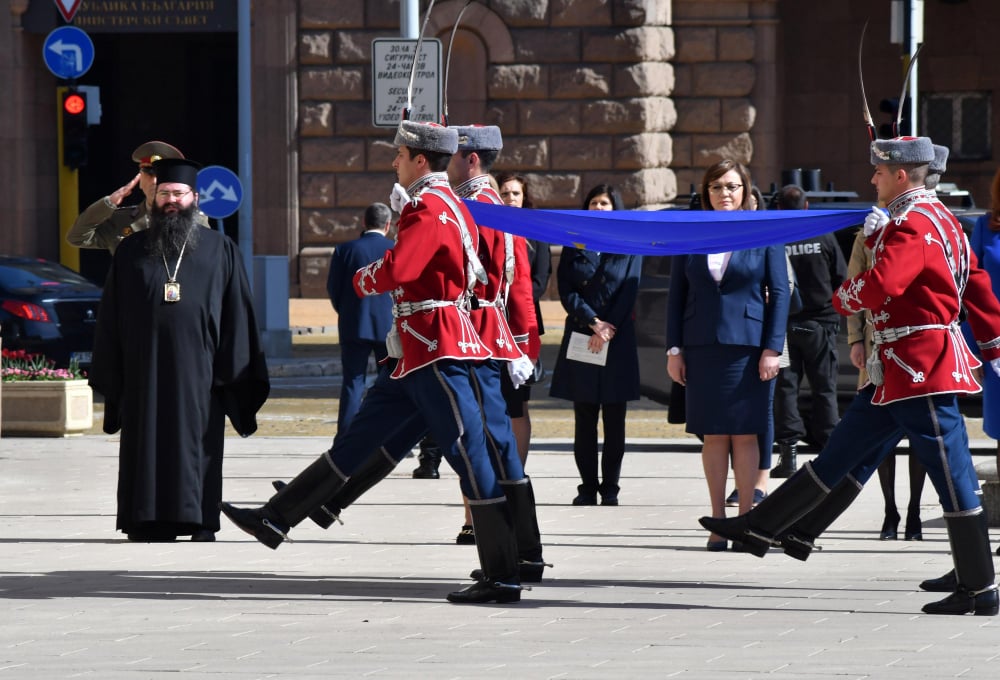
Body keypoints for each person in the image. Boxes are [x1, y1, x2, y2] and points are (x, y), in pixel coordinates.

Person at [221, 120, 527, 604]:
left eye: (400, 155)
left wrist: (364, 279)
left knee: (467, 451)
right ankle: (277, 517)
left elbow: (401, 267)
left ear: (420, 160)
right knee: (361, 436)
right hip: (415, 346)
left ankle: (504, 572)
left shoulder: (429, 207)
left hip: (435, 345)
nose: (394, 162)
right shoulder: (441, 204)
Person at [701, 136, 1000, 616]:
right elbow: (976, 282)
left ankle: (980, 585)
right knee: (840, 450)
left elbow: (884, 283)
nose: (872, 178)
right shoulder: (942, 219)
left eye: (879, 172)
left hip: (918, 364)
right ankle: (765, 526)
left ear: (901, 175)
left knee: (951, 474)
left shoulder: (911, 223)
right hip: (902, 366)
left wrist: (845, 295)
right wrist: (992, 343)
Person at [89, 158, 270, 543]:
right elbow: (111, 317)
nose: (171, 201)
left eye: (178, 194)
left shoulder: (221, 249)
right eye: (164, 194)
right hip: (144, 372)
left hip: (201, 374)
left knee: (197, 445)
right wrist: (115, 370)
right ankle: (145, 521)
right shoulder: (131, 250)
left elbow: (238, 313)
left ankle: (200, 521)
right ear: (154, 199)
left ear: (195, 198)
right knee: (146, 444)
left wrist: (232, 373)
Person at [667, 160, 789, 550]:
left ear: (745, 191)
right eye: (717, 187)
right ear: (706, 193)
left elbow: (781, 293)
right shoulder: (693, 232)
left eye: (732, 186)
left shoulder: (763, 231)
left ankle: (747, 523)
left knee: (746, 433)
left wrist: (773, 348)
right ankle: (718, 521)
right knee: (714, 434)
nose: (725, 193)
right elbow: (677, 295)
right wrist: (674, 349)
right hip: (702, 346)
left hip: (749, 347)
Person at [550, 184, 642, 507]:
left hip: (616, 340)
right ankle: (587, 487)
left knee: (615, 419)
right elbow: (566, 288)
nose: (598, 208)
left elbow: (630, 288)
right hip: (582, 335)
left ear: (615, 207)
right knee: (584, 417)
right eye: (593, 203)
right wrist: (592, 322)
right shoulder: (574, 241)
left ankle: (611, 487)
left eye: (605, 203)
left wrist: (606, 328)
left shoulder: (629, 241)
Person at [770, 184, 846, 477]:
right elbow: (841, 278)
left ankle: (788, 456)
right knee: (824, 388)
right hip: (820, 326)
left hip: (784, 327)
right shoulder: (823, 236)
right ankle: (829, 455)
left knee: (786, 389)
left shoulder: (776, 238)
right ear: (806, 205)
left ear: (778, 209)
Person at [496, 171, 552, 465]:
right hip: (492, 325)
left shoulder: (535, 231)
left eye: (515, 193)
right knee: (494, 403)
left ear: (524, 197)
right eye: (505, 193)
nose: (510, 199)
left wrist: (515, 297)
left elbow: (541, 280)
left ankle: (518, 467)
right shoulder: (490, 226)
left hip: (523, 325)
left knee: (518, 405)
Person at [326, 202, 395, 436]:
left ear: (363, 222)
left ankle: (345, 436)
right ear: (388, 225)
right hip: (389, 328)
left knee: (352, 383)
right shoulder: (395, 248)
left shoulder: (345, 250)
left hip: (354, 324)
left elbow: (334, 289)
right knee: (390, 385)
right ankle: (388, 436)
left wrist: (346, 312)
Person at [67, 141, 207, 253]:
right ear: (140, 180)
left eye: (161, 175)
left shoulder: (194, 219)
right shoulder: (121, 220)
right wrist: (108, 203)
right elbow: (77, 238)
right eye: (149, 173)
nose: (154, 181)